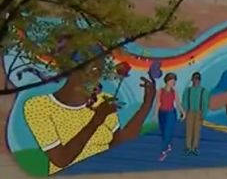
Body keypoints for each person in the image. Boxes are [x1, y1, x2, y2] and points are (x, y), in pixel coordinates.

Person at [23, 46, 156, 175]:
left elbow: (118, 145)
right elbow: (61, 160)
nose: (96, 75)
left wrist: (146, 106)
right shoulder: (39, 106)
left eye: (100, 69)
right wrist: (97, 119)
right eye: (92, 68)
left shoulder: (103, 100)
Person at [157, 72, 185, 161]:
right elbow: (158, 103)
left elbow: (177, 103)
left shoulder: (174, 92)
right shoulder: (160, 90)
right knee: (163, 131)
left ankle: (164, 151)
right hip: (161, 113)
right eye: (172, 81)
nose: (174, 83)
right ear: (167, 81)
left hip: (171, 113)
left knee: (167, 132)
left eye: (174, 81)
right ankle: (168, 144)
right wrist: (154, 114)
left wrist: (183, 112)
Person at [182, 72, 210, 156]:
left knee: (197, 131)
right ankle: (188, 147)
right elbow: (185, 101)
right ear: (192, 79)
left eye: (198, 79)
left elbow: (205, 103)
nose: (196, 81)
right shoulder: (188, 90)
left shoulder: (203, 91)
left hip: (199, 112)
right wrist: (184, 112)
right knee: (188, 130)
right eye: (195, 79)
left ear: (200, 80)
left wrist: (203, 114)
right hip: (189, 111)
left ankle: (194, 147)